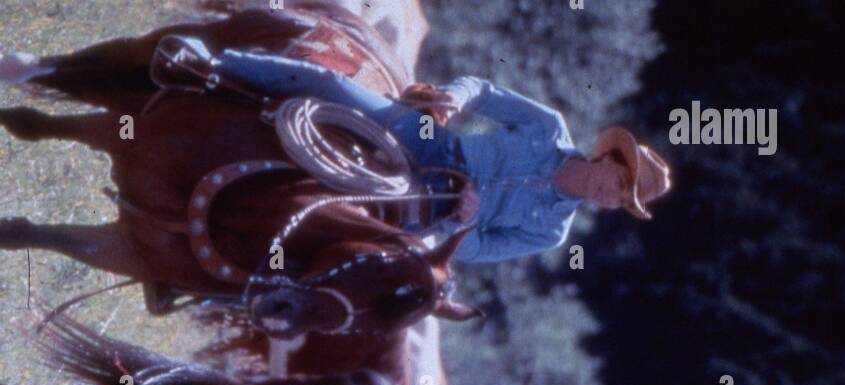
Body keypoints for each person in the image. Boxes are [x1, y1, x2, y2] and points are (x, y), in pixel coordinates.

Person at [150, 37, 672, 264]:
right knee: (327, 83)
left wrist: (461, 221)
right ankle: (212, 66)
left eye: (620, 201)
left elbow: (478, 250)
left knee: (342, 266)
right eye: (620, 184)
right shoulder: (547, 127)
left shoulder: (551, 232)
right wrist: (456, 97)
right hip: (435, 145)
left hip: (430, 211)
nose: (610, 196)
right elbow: (484, 91)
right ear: (609, 159)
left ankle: (215, 284)